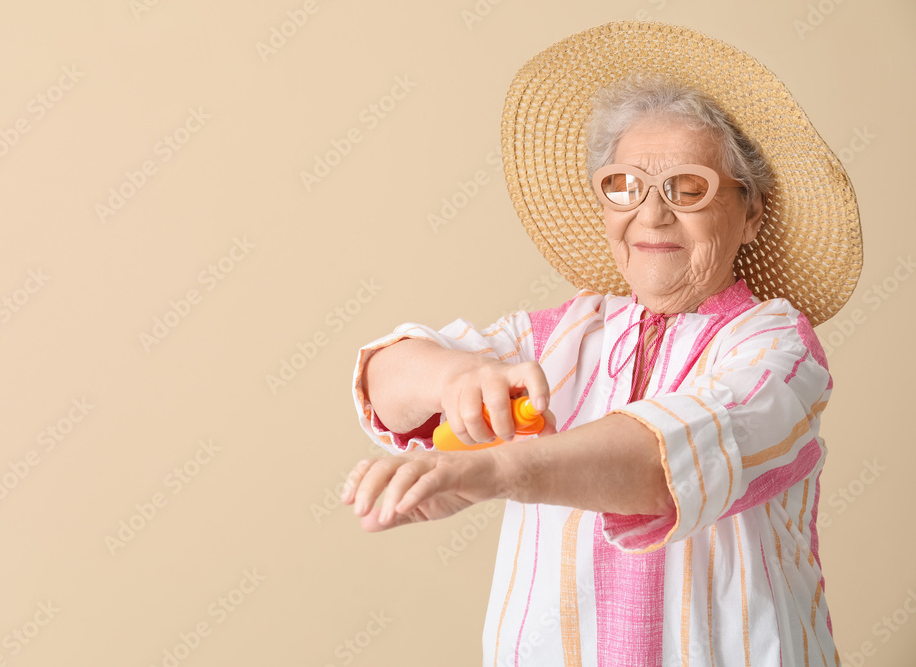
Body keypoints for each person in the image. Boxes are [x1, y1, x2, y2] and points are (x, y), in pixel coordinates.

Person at [341, 21, 862, 666]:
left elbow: (663, 460)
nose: (651, 214)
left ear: (750, 211)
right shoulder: (564, 333)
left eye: (687, 187)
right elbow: (388, 379)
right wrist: (455, 378)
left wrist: (492, 471)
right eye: (624, 184)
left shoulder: (777, 348)